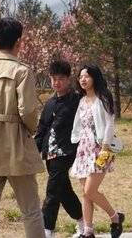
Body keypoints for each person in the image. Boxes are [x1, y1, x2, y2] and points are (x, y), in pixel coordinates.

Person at [0, 18, 45, 238]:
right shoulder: (22, 71)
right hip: (17, 145)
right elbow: (28, 112)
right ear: (19, 42)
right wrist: (31, 130)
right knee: (30, 210)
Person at [69, 65, 124, 238]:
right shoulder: (82, 101)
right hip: (83, 150)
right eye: (80, 77)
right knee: (85, 194)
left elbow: (109, 123)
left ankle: (115, 217)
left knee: (90, 191)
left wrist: (105, 147)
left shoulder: (103, 98)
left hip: (100, 149)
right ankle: (88, 231)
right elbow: (78, 126)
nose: (83, 79)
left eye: (86, 76)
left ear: (94, 78)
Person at [35, 60, 84, 238]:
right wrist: (34, 151)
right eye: (53, 79)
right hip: (50, 154)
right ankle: (83, 223)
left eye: (61, 79)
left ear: (69, 79)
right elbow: (41, 129)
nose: (57, 83)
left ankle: (47, 231)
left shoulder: (77, 100)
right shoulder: (49, 104)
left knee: (52, 192)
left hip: (67, 152)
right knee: (64, 192)